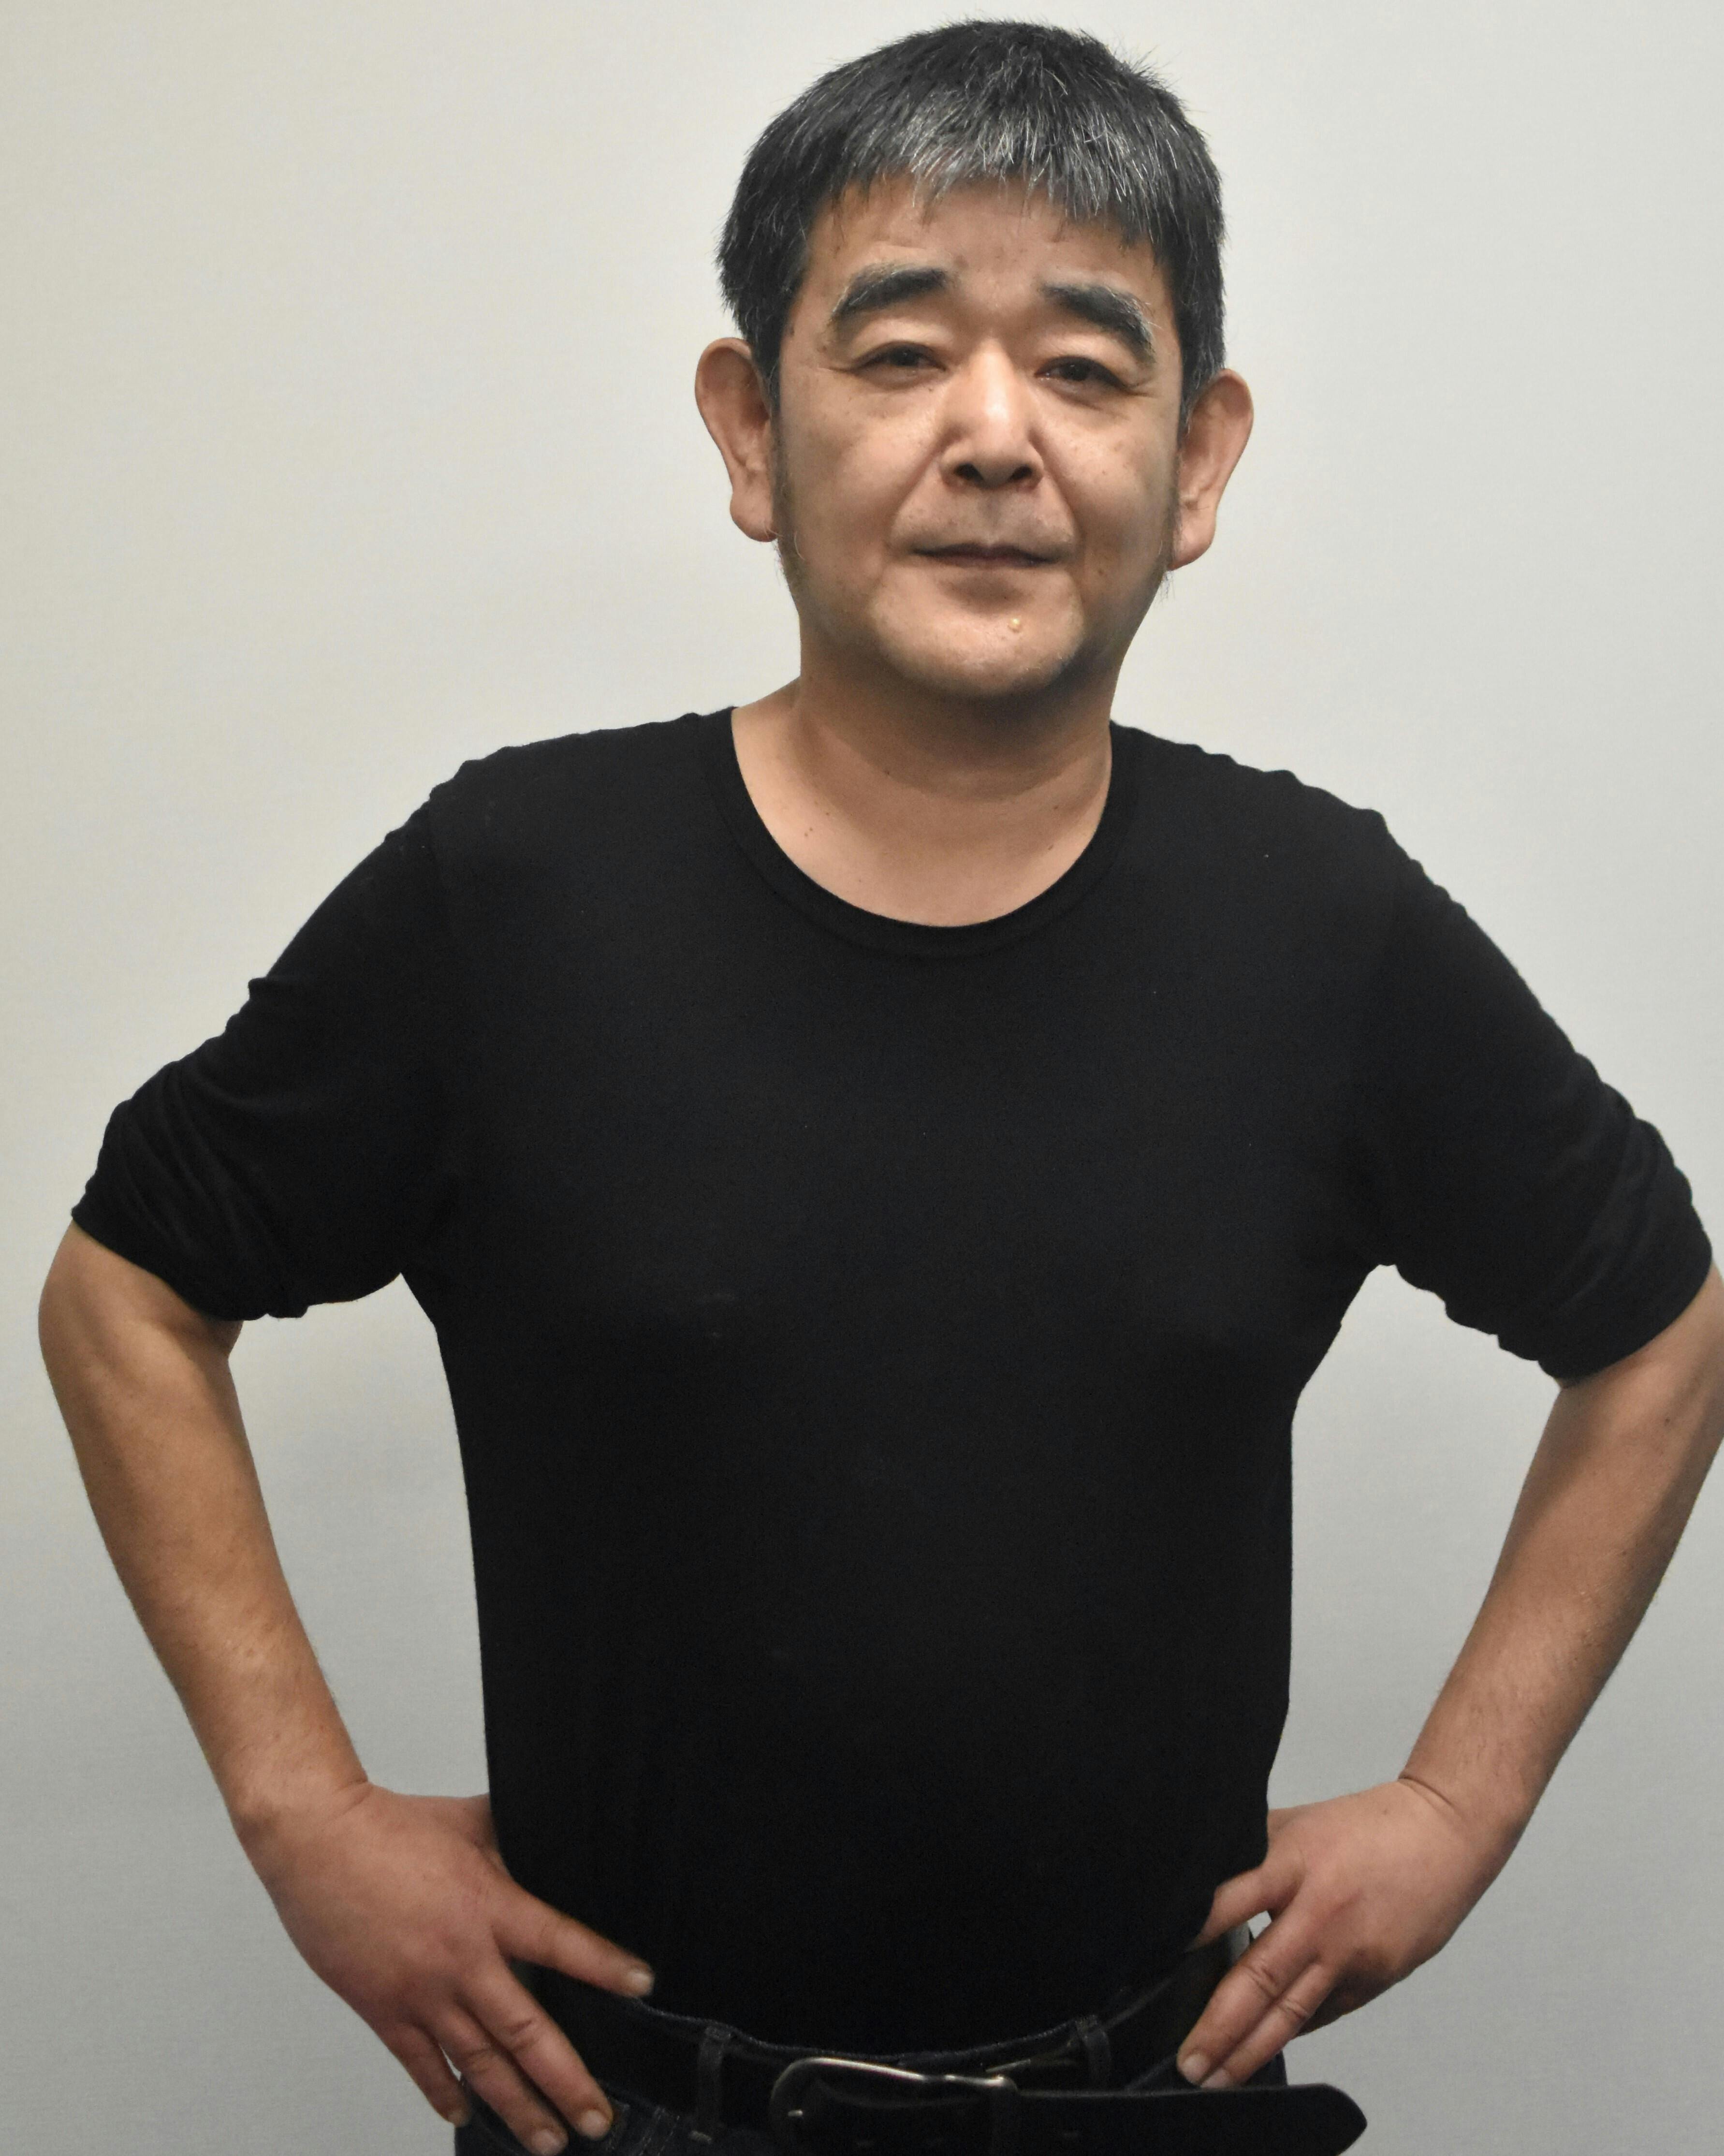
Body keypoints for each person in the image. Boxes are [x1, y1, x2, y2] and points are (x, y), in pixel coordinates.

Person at [37, 20, 1723, 2156]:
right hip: (635, 2115)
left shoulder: (1322, 925)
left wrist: (1461, 1798)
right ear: (753, 427)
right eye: (901, 352)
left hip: (1149, 2098)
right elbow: (124, 1291)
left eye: (1085, 368)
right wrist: (303, 1810)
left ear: (1198, 459)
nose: (994, 438)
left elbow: (1661, 1320)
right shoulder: (515, 893)